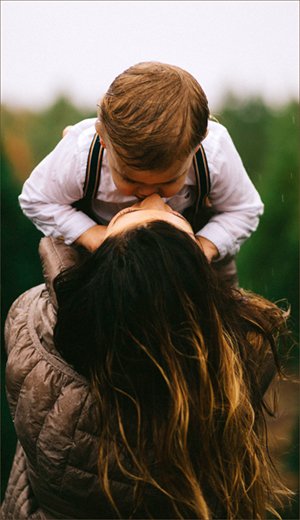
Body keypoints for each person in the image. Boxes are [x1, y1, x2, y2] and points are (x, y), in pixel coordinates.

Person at [3, 195, 291, 519]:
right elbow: (220, 316)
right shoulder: (225, 381)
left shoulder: (36, 350)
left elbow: (45, 295)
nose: (154, 197)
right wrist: (212, 236)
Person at [18, 61, 263, 274]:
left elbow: (243, 209)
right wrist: (90, 233)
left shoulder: (214, 154)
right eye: (130, 179)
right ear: (104, 141)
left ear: (198, 146)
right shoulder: (81, 154)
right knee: (64, 292)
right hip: (99, 260)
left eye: (166, 182)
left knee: (227, 310)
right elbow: (37, 199)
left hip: (193, 261)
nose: (147, 193)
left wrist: (205, 245)